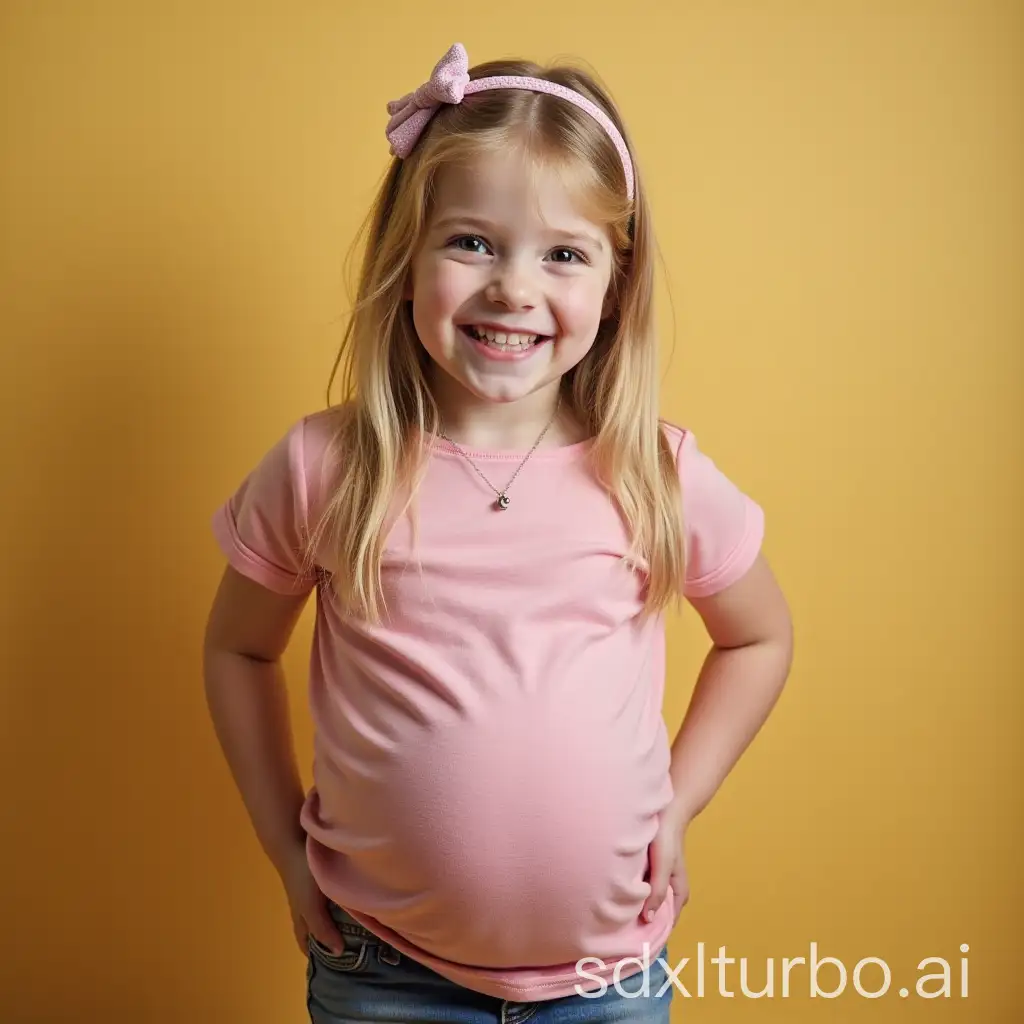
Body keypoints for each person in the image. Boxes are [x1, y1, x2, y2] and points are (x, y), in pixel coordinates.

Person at [203, 41, 793, 1023]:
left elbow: (759, 635)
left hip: (606, 983)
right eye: (471, 242)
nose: (513, 288)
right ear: (405, 256)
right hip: (381, 973)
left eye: (562, 254)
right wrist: (280, 843)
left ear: (616, 280)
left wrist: (677, 804)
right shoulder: (328, 467)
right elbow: (235, 645)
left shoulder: (653, 473)